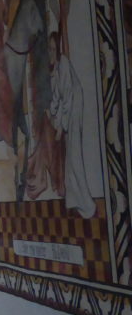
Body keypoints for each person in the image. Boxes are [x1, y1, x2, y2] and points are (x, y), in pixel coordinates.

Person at [47, 33, 95, 218]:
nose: (50, 52)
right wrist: (51, 114)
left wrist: (60, 126)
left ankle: (88, 206)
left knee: (74, 157)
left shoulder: (64, 64)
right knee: (70, 160)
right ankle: (76, 202)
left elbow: (67, 97)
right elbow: (56, 99)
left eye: (52, 48)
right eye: (48, 49)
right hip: (69, 110)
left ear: (57, 49)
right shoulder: (55, 70)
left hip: (75, 109)